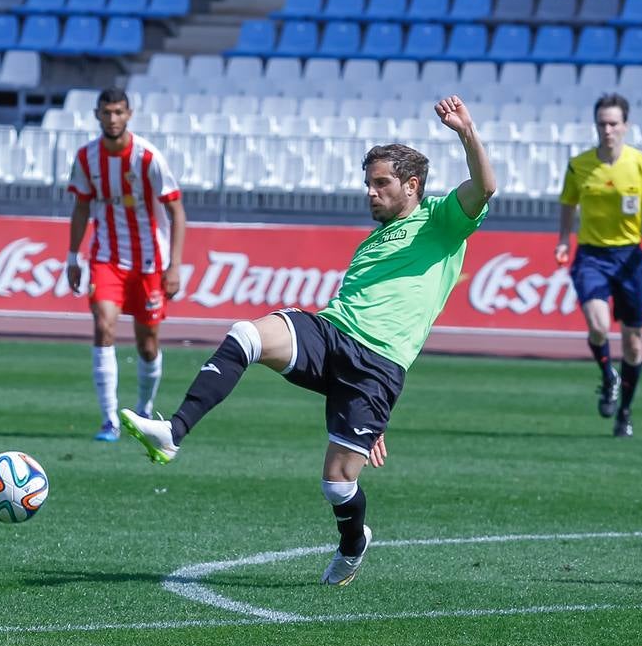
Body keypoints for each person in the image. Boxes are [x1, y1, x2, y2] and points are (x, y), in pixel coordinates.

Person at [120, 96, 495, 587]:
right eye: (368, 184)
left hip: (378, 368)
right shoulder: (372, 242)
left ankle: (354, 542)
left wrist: (465, 130)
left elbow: (485, 187)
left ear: (412, 185)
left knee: (338, 484)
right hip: (331, 333)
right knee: (246, 335)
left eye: (381, 183)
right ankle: (173, 433)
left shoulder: (444, 222)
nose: (371, 193)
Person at [554, 93, 642, 438]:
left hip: (629, 259)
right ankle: (607, 374)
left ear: (626, 126)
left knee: (634, 343)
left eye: (613, 123)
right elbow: (568, 203)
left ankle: (625, 410)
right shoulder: (579, 166)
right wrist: (565, 238)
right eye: (602, 123)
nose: (607, 130)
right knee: (597, 325)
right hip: (591, 256)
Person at [65, 87, 186, 442]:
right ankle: (109, 421)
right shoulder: (87, 158)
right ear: (97, 115)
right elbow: (82, 207)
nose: (113, 118)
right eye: (107, 112)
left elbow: (176, 210)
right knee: (104, 327)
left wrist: (175, 266)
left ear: (129, 114)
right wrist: (73, 256)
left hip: (150, 261)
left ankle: (145, 411)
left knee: (147, 344)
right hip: (106, 257)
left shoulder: (148, 158)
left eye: (119, 112)